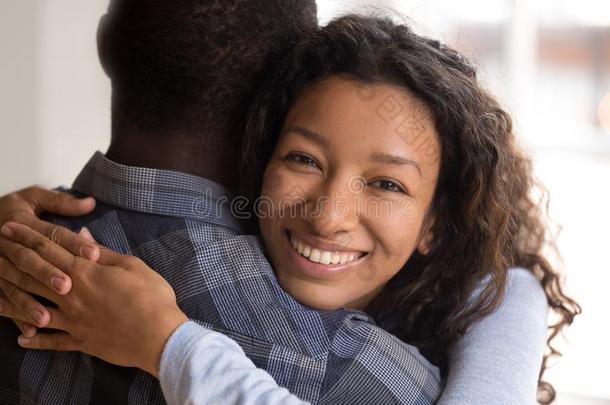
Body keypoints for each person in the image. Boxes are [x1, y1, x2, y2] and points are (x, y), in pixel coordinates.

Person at [0, 11, 580, 405]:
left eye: (387, 185)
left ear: (438, 222)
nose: (329, 216)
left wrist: (169, 344)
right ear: (261, 145)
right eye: (303, 160)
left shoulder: (472, 323)